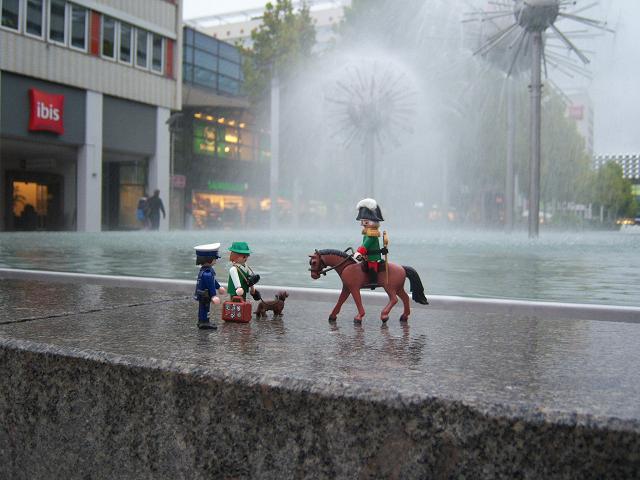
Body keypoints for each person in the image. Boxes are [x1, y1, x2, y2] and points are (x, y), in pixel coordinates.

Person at [355, 198, 388, 288]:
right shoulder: (367, 233)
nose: (363, 224)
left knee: (372, 266)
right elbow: (364, 244)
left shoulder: (372, 235)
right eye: (362, 221)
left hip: (373, 256)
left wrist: (359, 252)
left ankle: (373, 282)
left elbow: (366, 245)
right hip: (367, 255)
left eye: (366, 222)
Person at [194, 243, 226, 330]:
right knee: (204, 308)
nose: (215, 261)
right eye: (215, 259)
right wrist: (213, 295)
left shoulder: (206, 271)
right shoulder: (207, 273)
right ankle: (204, 322)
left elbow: (213, 281)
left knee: (204, 307)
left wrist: (218, 287)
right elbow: (210, 284)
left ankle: (203, 321)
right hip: (205, 294)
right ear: (209, 259)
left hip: (204, 293)